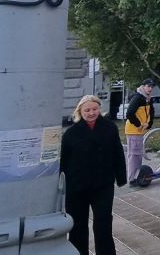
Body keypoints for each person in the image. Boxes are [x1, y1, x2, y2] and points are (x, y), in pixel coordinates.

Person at [61, 95, 126, 255]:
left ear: (99, 109)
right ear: (80, 111)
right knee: (78, 224)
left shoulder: (110, 128)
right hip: (77, 186)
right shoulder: (70, 133)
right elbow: (63, 160)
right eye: (87, 110)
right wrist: (60, 184)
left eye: (94, 109)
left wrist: (121, 177)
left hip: (103, 184)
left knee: (103, 222)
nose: (91, 113)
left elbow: (118, 153)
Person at [124, 78, 154, 186]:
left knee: (138, 155)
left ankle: (137, 177)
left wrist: (149, 124)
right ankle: (132, 179)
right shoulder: (137, 98)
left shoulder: (147, 98)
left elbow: (151, 112)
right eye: (148, 86)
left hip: (139, 131)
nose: (150, 89)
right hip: (134, 131)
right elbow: (129, 114)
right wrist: (139, 124)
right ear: (143, 86)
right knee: (134, 155)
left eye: (151, 87)